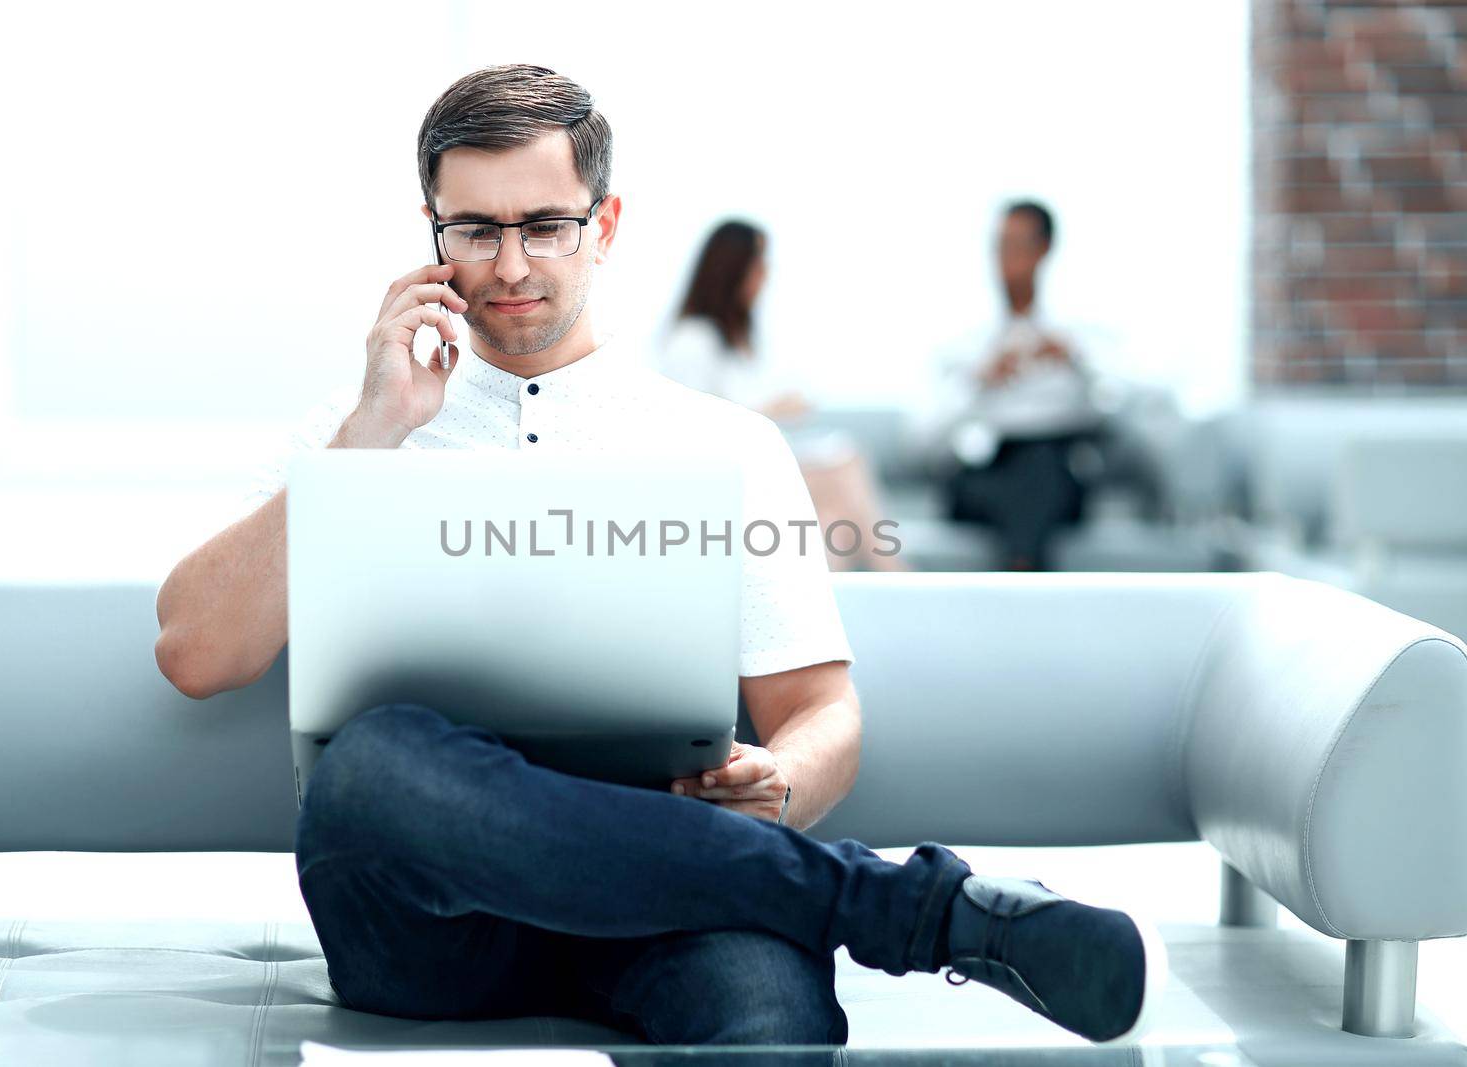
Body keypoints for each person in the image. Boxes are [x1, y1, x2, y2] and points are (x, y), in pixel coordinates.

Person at [154, 65, 1163, 1052]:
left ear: (607, 224)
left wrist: (779, 778)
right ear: (431, 230)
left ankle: (864, 899)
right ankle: (912, 907)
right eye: (475, 229)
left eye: (545, 225)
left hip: (668, 894)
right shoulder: (353, 428)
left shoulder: (724, 444)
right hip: (427, 925)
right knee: (370, 766)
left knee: (776, 1014)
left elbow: (822, 713)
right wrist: (375, 429)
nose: (510, 265)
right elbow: (194, 650)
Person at [659, 220, 907, 573]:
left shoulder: (741, 343)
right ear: (734, 270)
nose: (766, 275)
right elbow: (693, 428)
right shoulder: (693, 341)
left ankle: (824, 617)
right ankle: (896, 575)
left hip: (751, 467)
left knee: (833, 526)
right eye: (760, 264)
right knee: (844, 466)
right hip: (720, 481)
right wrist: (772, 410)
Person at [938, 200, 1105, 571]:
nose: (1005, 259)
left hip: (1055, 463)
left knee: (1041, 466)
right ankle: (1025, 572)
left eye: (1018, 246)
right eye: (999, 247)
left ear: (1044, 250)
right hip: (987, 465)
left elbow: (1115, 414)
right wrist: (979, 382)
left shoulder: (1080, 334)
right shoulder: (966, 337)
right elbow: (919, 438)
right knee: (1024, 479)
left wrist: (1078, 363)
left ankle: (1020, 566)